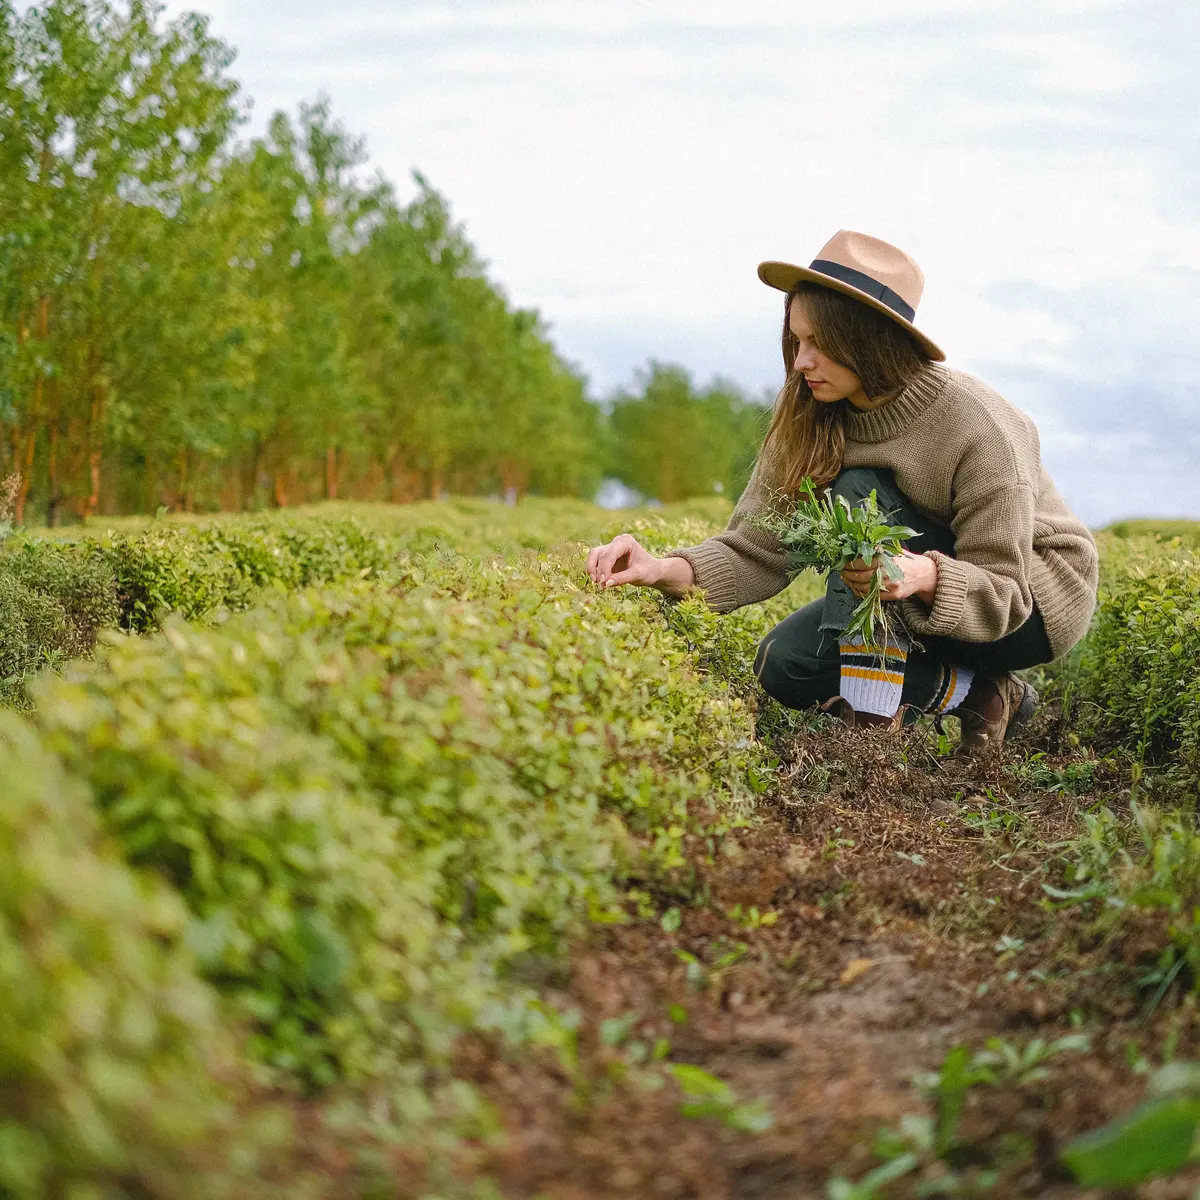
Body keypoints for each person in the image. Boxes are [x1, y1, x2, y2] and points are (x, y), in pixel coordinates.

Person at [586, 230, 1099, 754]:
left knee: (858, 491)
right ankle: (983, 694)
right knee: (783, 663)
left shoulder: (979, 427)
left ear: (869, 340)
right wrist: (659, 568)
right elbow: (757, 547)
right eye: (796, 341)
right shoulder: (810, 411)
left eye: (820, 344)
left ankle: (868, 739)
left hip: (1030, 602)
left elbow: (1005, 594)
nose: (802, 361)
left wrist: (923, 574)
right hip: (921, 589)